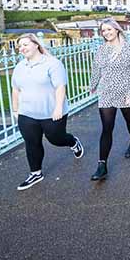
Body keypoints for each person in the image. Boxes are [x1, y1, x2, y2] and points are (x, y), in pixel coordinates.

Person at [11, 33, 84, 191]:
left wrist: (58, 108)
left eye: (25, 44)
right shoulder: (20, 67)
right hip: (27, 113)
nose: (22, 48)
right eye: (20, 46)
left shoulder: (53, 63)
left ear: (36, 44)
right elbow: (15, 90)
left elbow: (60, 87)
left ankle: (72, 142)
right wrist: (15, 109)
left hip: (51, 112)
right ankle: (36, 173)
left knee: (56, 139)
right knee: (31, 143)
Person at [88, 18, 130, 181]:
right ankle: (102, 165)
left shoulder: (129, 48)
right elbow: (96, 68)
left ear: (117, 30)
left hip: (125, 91)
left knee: (129, 118)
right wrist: (93, 85)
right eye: (103, 31)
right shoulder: (101, 50)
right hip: (106, 92)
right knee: (107, 128)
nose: (106, 33)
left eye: (109, 29)